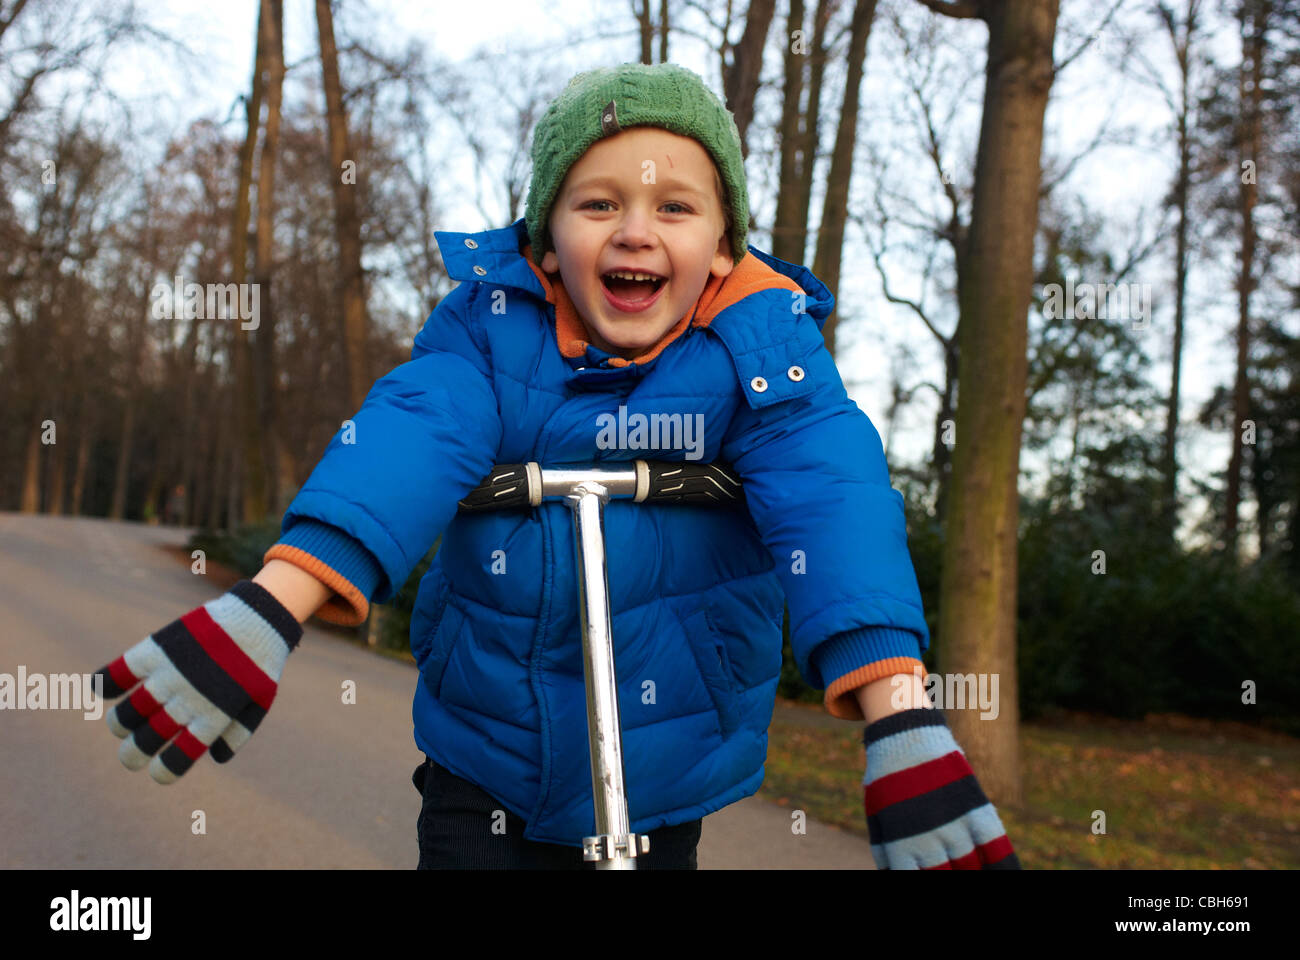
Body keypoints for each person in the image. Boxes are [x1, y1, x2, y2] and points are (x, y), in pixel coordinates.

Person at [93, 63, 1019, 871]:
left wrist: (898, 706)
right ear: (545, 242)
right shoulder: (491, 333)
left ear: (723, 249)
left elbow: (829, 488)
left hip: (666, 767)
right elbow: (415, 429)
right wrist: (275, 602)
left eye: (675, 207)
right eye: (599, 203)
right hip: (485, 750)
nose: (635, 231)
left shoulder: (761, 351)